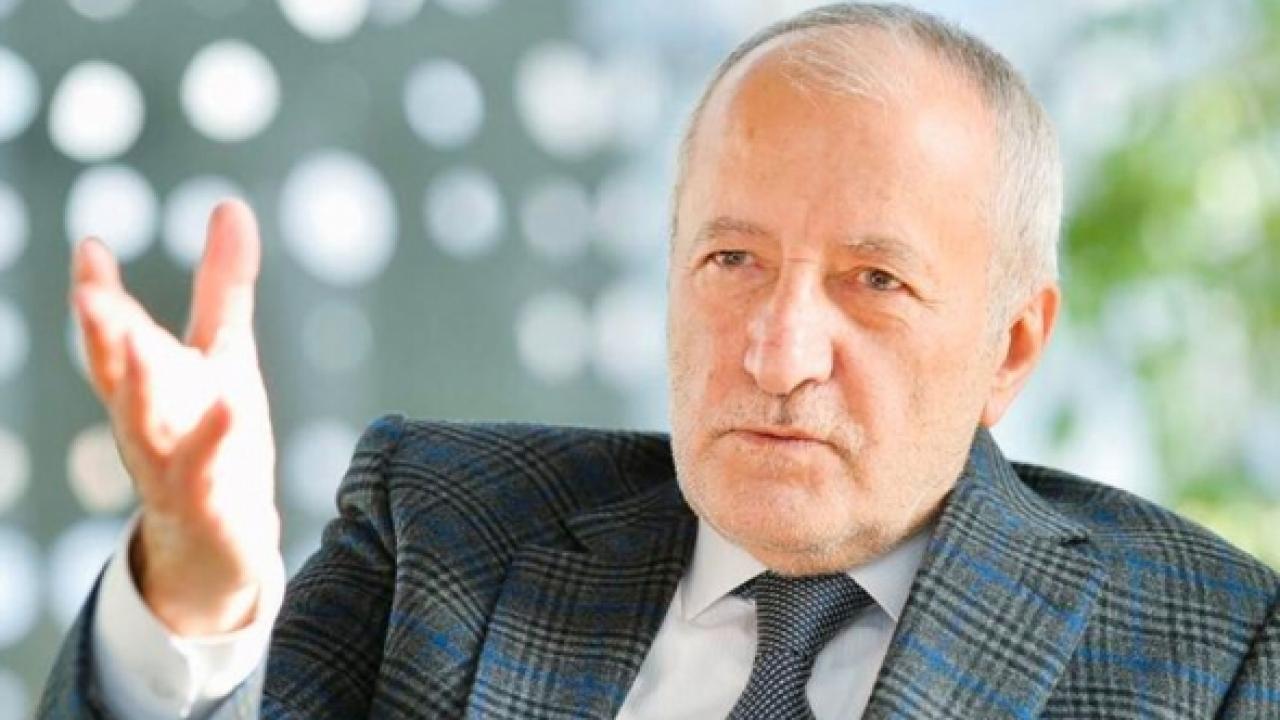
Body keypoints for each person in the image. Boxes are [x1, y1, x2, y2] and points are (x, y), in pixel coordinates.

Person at [39, 3, 1279, 718]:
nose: (778, 354)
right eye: (731, 259)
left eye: (874, 281)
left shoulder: (1214, 651)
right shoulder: (437, 526)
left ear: (1009, 348)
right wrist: (192, 599)